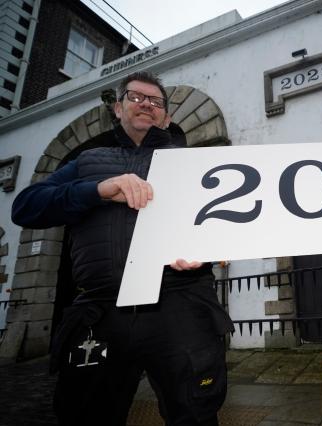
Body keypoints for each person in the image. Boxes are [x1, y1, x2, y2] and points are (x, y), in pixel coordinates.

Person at [12, 71, 234, 425]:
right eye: (136, 97)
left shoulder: (193, 164)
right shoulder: (86, 162)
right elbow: (25, 207)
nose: (146, 104)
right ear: (118, 108)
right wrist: (97, 190)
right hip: (101, 311)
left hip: (180, 304)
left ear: (166, 116)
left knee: (195, 413)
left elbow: (220, 226)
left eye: (156, 101)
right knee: (87, 414)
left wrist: (204, 255)